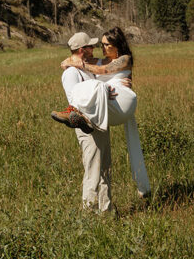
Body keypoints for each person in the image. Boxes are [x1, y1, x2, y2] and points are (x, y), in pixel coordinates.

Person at [53, 27, 150, 197]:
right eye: (101, 45)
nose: (102, 48)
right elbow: (79, 63)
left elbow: (104, 71)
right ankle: (100, 209)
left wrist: (107, 85)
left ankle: (103, 209)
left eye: (106, 45)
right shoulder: (95, 62)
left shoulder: (125, 59)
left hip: (119, 102)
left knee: (102, 166)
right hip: (102, 108)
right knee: (100, 167)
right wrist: (69, 62)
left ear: (117, 45)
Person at [57, 31, 113, 213]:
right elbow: (76, 101)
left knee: (105, 170)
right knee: (93, 171)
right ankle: (89, 213)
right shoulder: (71, 73)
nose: (94, 49)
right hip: (86, 126)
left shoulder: (85, 69)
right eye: (90, 46)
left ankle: (106, 212)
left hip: (100, 124)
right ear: (82, 50)